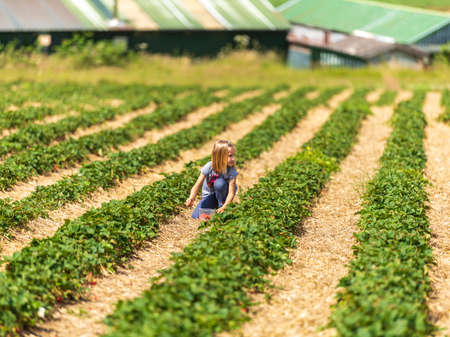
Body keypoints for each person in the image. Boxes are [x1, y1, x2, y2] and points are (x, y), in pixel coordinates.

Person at [185, 140, 238, 219]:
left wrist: (225, 206)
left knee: (219, 183)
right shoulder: (209, 166)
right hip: (209, 196)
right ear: (220, 156)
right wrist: (191, 197)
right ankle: (216, 213)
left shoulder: (231, 172)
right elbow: (197, 184)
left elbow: (231, 193)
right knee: (196, 216)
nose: (233, 159)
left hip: (223, 196)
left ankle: (221, 207)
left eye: (233, 155)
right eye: (230, 156)